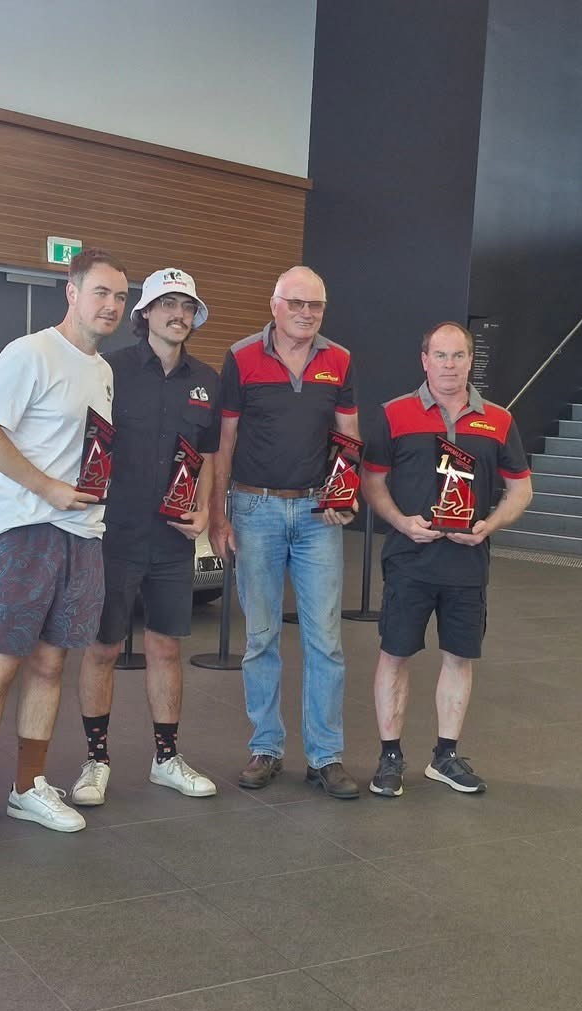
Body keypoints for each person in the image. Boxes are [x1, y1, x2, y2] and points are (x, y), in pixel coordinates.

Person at [0, 248, 127, 851]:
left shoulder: (103, 371)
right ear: (72, 293)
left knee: (51, 665)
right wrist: (47, 487)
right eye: (100, 292)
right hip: (20, 534)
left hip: (81, 537)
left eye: (119, 297)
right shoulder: (30, 352)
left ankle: (28, 786)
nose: (111, 305)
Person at [361, 322, 533, 797]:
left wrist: (489, 525)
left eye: (459, 356)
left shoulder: (498, 419)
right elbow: (372, 482)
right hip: (409, 559)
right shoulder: (394, 414)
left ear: (470, 360)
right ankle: (390, 757)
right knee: (395, 654)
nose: (450, 365)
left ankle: (446, 756)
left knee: (459, 657)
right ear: (425, 360)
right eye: (441, 355)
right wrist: (401, 522)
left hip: (467, 564)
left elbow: (521, 489)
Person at [208, 266, 361, 798]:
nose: (306, 313)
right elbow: (225, 441)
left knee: (326, 640)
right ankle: (266, 747)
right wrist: (218, 514)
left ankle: (325, 755)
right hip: (255, 509)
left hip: (319, 514)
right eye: (296, 303)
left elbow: (348, 434)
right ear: (274, 305)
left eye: (315, 305)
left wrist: (345, 491)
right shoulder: (241, 357)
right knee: (261, 636)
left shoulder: (339, 359)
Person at [72, 269, 222, 806]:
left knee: (166, 647)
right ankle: (96, 761)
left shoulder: (206, 380)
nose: (178, 314)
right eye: (168, 304)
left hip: (172, 539)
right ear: (146, 313)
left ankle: (166, 759)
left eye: (187, 306)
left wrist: (203, 508)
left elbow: (208, 456)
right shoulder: (108, 370)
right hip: (113, 533)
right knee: (103, 647)